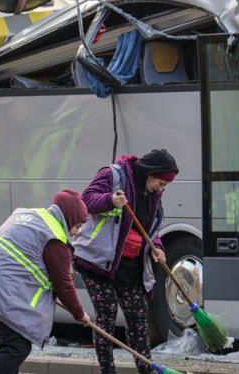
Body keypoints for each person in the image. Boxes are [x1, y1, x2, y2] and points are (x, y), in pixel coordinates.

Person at [0, 189, 91, 374]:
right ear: (68, 218)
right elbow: (63, 284)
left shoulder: (30, 215)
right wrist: (79, 314)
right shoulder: (56, 240)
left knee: (7, 348)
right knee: (17, 348)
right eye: (77, 226)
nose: (77, 232)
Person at [75, 149, 176, 374]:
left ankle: (146, 368)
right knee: (107, 316)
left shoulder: (153, 195)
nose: (161, 189)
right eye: (160, 183)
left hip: (130, 266)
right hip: (99, 263)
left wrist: (156, 248)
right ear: (150, 172)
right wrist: (110, 200)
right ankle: (108, 371)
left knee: (138, 317)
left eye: (164, 186)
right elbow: (86, 201)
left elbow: (152, 230)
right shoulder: (113, 175)